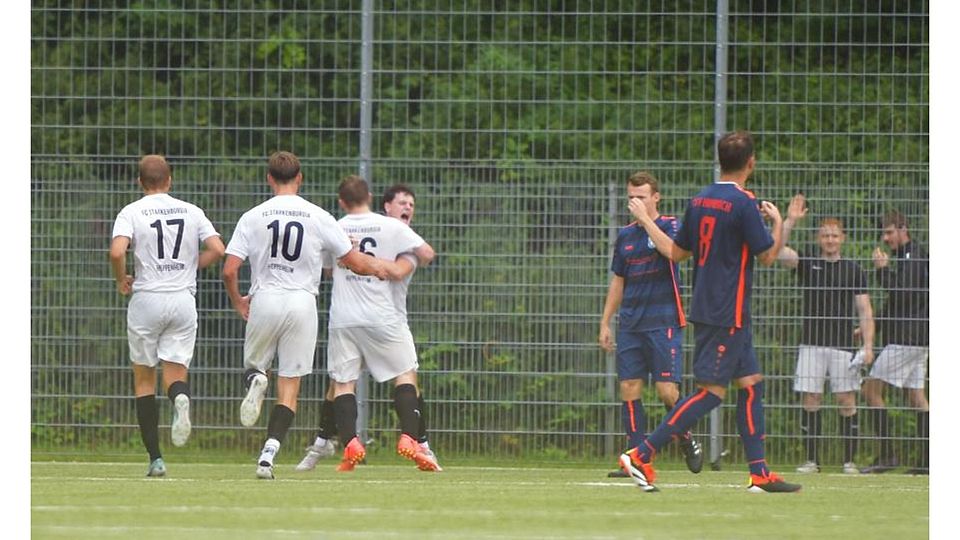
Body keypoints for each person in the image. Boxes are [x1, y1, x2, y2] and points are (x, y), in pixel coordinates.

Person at [618, 131, 801, 493]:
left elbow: (676, 252)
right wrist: (782, 223)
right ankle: (641, 454)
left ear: (720, 161)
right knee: (712, 392)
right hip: (725, 312)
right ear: (751, 163)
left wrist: (646, 222)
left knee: (750, 386)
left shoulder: (700, 199)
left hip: (711, 308)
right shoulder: (744, 203)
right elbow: (767, 257)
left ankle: (760, 472)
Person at [221, 152, 390, 480]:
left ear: (269, 179)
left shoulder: (253, 216)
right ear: (300, 178)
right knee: (290, 385)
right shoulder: (319, 215)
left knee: (257, 367)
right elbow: (353, 260)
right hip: (302, 303)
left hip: (265, 298)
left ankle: (256, 379)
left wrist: (239, 301)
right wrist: (379, 268)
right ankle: (268, 456)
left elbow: (229, 270)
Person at [296, 184, 441, 472]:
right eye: (402, 202)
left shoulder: (342, 228)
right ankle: (413, 440)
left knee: (341, 382)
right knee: (405, 376)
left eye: (411, 204)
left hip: (347, 319)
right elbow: (424, 254)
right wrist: (374, 263)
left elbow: (325, 265)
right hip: (383, 320)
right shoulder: (392, 231)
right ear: (382, 204)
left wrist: (348, 255)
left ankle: (339, 441)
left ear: (342, 200)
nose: (408, 207)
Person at [110, 154, 225, 477]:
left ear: (139, 182)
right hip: (182, 300)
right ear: (170, 180)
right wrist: (192, 266)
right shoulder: (191, 211)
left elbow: (117, 251)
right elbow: (218, 248)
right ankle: (181, 399)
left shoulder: (131, 211)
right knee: (175, 373)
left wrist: (121, 279)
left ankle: (156, 459)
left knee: (144, 380)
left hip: (147, 299)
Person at [598, 171, 703, 478]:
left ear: (656, 197)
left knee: (667, 390)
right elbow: (618, 281)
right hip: (631, 323)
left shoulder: (671, 225)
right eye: (631, 197)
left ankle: (686, 437)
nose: (636, 202)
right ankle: (635, 459)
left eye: (641, 196)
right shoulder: (625, 236)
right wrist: (605, 322)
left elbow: (674, 252)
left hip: (664, 322)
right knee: (629, 387)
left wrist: (646, 221)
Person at [777, 194, 874, 474]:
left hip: (843, 346)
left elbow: (865, 310)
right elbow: (779, 251)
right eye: (825, 236)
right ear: (819, 239)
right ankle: (811, 461)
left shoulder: (854, 270)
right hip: (812, 344)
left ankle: (849, 461)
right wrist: (791, 221)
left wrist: (868, 346)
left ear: (842, 238)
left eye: (834, 235)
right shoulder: (808, 261)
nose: (830, 240)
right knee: (811, 400)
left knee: (846, 401)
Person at [860, 210, 929, 474]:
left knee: (871, 391)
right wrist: (873, 326)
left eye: (889, 232)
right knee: (917, 398)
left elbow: (901, 295)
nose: (885, 238)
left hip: (906, 340)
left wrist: (883, 270)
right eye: (884, 233)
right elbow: (901, 303)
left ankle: (888, 456)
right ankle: (928, 461)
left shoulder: (912, 257)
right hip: (916, 338)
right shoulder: (910, 256)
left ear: (903, 229)